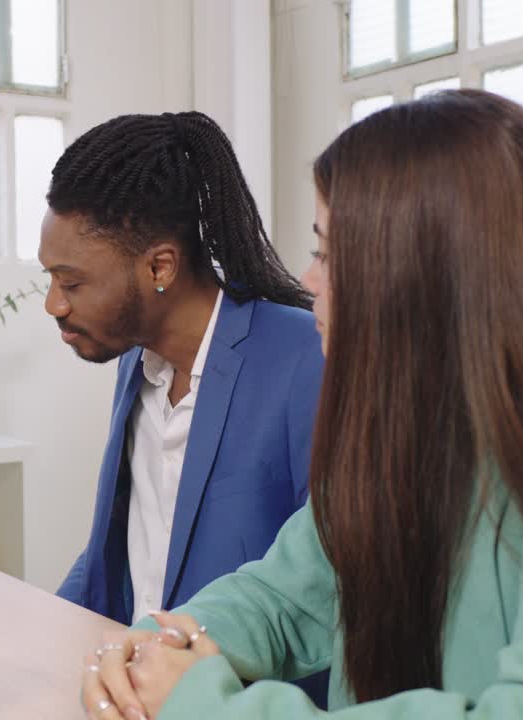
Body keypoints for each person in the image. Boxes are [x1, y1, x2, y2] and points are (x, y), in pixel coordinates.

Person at [80, 89, 523, 719]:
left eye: (328, 253)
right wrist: (161, 646)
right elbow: (282, 597)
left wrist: (207, 705)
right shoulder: (412, 429)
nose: (308, 280)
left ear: (419, 271)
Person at [41, 112, 324, 641]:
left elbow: (326, 586)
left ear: (160, 268)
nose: (53, 303)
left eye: (72, 282)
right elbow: (126, 548)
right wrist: (38, 636)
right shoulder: (135, 360)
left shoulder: (308, 356)